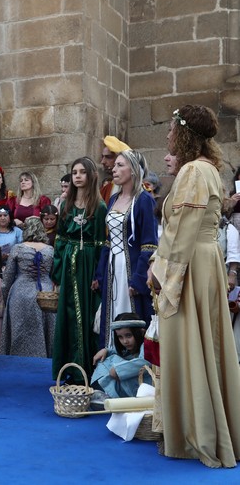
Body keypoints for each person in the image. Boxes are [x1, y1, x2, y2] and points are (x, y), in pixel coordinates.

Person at [147, 104, 240, 468]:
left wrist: (160, 271)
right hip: (204, 262)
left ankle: (196, 434)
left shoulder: (193, 171)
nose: (168, 135)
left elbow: (180, 229)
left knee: (189, 344)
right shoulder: (209, 169)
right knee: (205, 346)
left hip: (190, 265)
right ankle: (205, 426)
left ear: (184, 134)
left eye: (172, 129)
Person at [93, 150, 158, 348]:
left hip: (131, 270)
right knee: (111, 312)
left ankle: (135, 362)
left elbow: (149, 244)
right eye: (115, 165)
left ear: (134, 170)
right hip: (112, 268)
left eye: (120, 165)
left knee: (132, 314)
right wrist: (100, 274)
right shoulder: (113, 199)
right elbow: (109, 241)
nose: (114, 169)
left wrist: (138, 279)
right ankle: (111, 356)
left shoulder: (144, 200)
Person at [51, 156, 107, 383]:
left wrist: (98, 275)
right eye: (74, 172)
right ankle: (69, 369)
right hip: (69, 266)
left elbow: (102, 244)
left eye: (82, 172)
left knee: (86, 316)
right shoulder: (66, 205)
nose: (77, 176)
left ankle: (86, 370)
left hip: (88, 266)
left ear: (91, 175)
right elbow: (60, 239)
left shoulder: (99, 207)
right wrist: (57, 272)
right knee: (68, 316)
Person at [1, 217, 56, 358]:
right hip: (45, 294)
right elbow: (54, 274)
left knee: (19, 330)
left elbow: (7, 277)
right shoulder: (50, 250)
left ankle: (17, 361)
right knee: (44, 330)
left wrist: (6, 298)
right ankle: (44, 360)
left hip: (20, 293)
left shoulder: (18, 249)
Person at [91, 313, 150, 399]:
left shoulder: (147, 345)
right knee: (105, 359)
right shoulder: (127, 348)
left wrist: (118, 370)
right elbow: (116, 351)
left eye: (128, 335)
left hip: (145, 387)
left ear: (140, 332)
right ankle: (105, 392)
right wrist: (106, 350)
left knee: (113, 360)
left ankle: (111, 396)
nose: (125, 341)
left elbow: (146, 361)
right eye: (120, 337)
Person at [100, 136, 130, 204]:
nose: (102, 162)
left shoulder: (142, 192)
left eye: (108, 157)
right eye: (102, 157)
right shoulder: (105, 190)